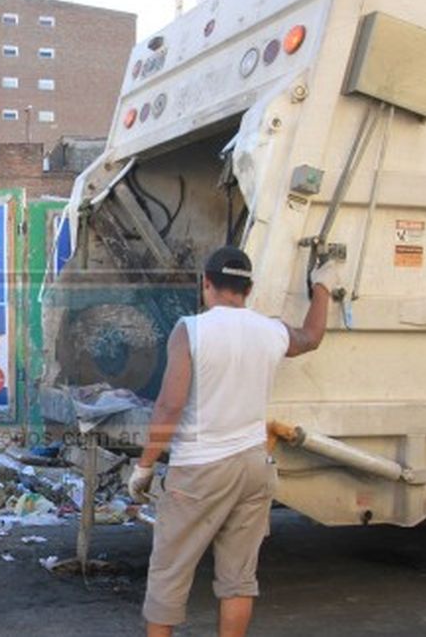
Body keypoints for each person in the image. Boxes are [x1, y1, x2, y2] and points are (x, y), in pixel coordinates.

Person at [129, 246, 338, 637]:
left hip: (199, 470)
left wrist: (144, 466)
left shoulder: (189, 330)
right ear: (250, 288)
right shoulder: (271, 330)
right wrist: (323, 286)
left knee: (168, 573)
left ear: (205, 284)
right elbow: (311, 338)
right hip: (253, 467)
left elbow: (169, 406)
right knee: (239, 579)